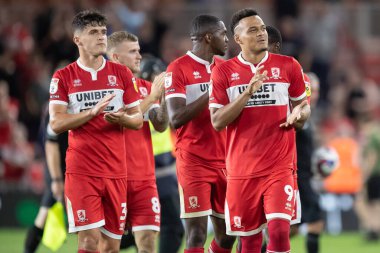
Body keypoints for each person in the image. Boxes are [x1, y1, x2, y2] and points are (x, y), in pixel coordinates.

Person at [209, 9, 310, 253]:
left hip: (280, 167)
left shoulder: (289, 66)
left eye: (263, 28)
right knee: (250, 242)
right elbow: (217, 121)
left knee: (278, 231)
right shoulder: (223, 73)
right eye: (253, 30)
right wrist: (247, 93)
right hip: (242, 172)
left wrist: (299, 115)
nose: (261, 33)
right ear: (238, 38)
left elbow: (303, 106)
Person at [49, 10, 143, 253]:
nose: (102, 37)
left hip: (116, 172)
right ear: (77, 39)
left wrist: (123, 118)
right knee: (89, 242)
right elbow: (56, 123)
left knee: (111, 247)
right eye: (93, 32)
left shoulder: (121, 73)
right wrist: (90, 114)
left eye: (103, 32)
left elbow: (138, 120)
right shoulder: (63, 77)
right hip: (82, 172)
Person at [165, 14, 235, 253]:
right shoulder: (177, 69)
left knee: (227, 236)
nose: (227, 39)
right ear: (208, 37)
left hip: (226, 160)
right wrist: (212, 92)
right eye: (223, 34)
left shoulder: (226, 69)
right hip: (193, 160)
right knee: (196, 233)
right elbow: (176, 118)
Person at [106, 31, 167, 253]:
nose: (139, 56)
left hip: (144, 180)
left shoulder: (144, 86)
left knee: (148, 244)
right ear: (115, 57)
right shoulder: (107, 89)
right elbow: (120, 120)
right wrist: (151, 97)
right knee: (108, 248)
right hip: (114, 179)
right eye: (132, 51)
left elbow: (160, 125)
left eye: (139, 50)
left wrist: (164, 97)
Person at [266, 25, 324, 253]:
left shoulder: (309, 114)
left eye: (317, 90)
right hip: (293, 176)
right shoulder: (295, 108)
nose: (314, 95)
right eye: (312, 90)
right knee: (292, 227)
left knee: (305, 224)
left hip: (305, 177)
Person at [142, 56, 185, 253]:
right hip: (154, 172)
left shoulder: (154, 101)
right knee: (170, 228)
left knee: (147, 230)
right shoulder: (144, 99)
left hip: (162, 170)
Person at [24, 107, 68, 253]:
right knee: (44, 214)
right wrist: (56, 180)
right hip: (57, 167)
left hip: (74, 167)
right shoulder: (56, 109)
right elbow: (51, 145)